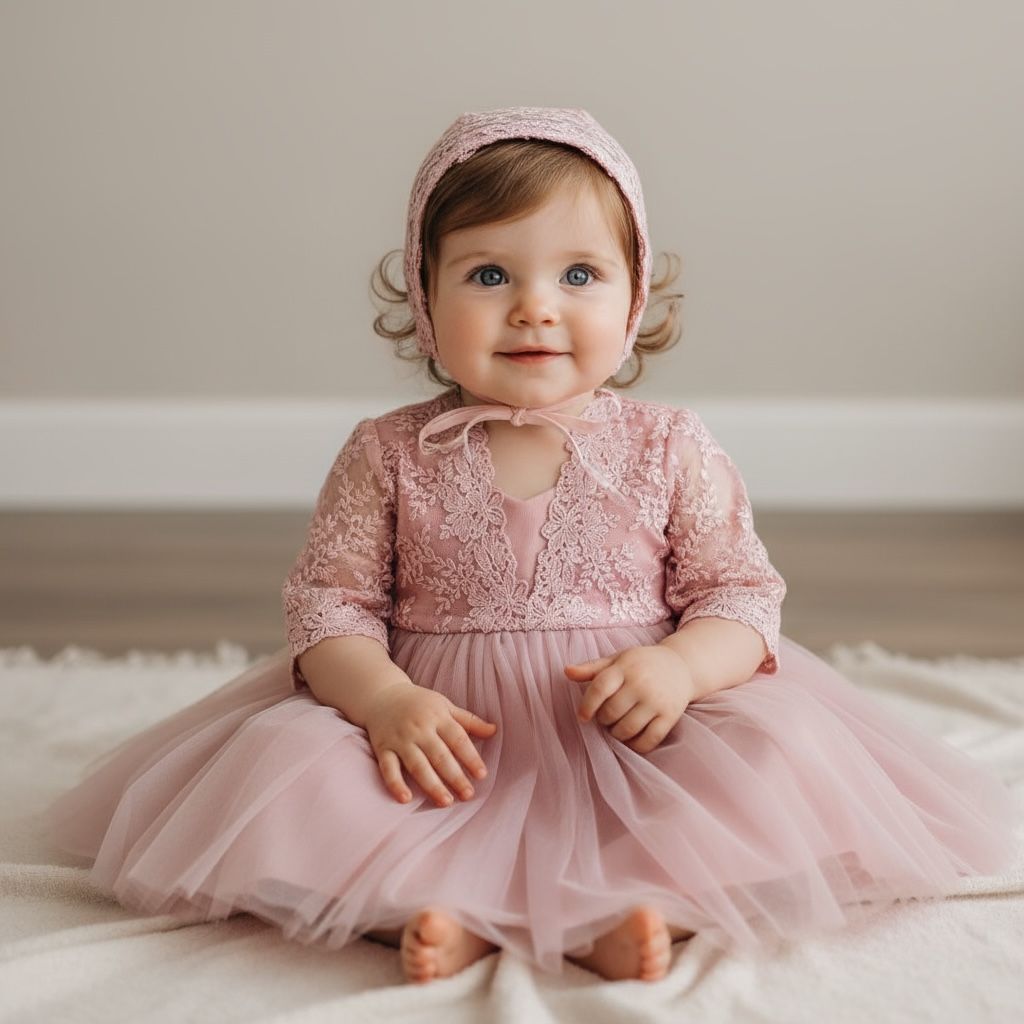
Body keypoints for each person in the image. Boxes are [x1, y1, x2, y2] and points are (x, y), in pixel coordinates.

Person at [39, 106, 1021, 986]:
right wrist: (383, 701)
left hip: (630, 737)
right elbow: (329, 607)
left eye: (579, 274)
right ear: (425, 301)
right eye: (488, 273)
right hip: (439, 744)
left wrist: (680, 667)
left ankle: (636, 914)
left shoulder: (668, 445)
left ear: (634, 299)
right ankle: (430, 916)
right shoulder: (386, 452)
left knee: (780, 752)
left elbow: (739, 595)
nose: (534, 305)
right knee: (280, 760)